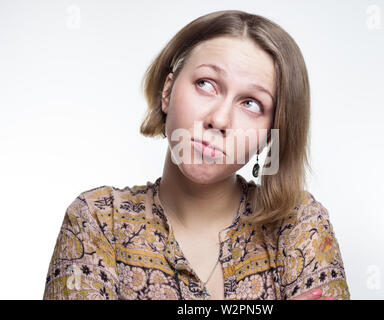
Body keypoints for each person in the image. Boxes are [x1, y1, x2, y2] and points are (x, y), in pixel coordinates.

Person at [43, 9, 350, 300]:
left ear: (272, 133)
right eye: (206, 84)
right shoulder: (97, 220)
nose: (219, 120)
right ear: (167, 92)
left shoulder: (299, 224)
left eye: (251, 103)